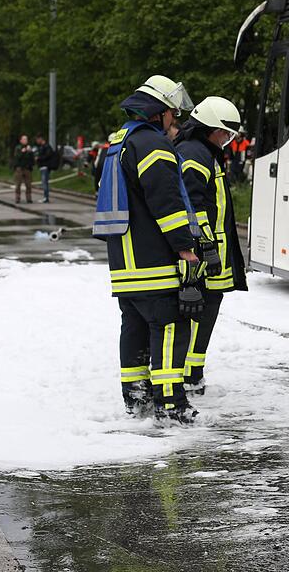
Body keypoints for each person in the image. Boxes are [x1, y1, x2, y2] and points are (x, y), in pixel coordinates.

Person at [92, 74, 203, 425]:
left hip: (125, 264)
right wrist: (185, 247)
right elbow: (166, 202)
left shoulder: (119, 143)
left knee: (135, 329)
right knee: (170, 327)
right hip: (153, 261)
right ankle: (170, 406)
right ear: (158, 112)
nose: (175, 120)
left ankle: (135, 398)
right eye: (172, 113)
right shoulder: (153, 145)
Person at [174, 96, 249, 395]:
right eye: (225, 134)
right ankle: (189, 375)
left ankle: (193, 373)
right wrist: (206, 245)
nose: (226, 140)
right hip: (202, 254)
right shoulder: (195, 153)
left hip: (208, 252)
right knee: (199, 313)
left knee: (205, 311)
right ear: (211, 129)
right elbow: (193, 206)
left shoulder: (201, 151)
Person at [12, 135, 34, 204]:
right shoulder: (18, 148)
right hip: (19, 168)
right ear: (21, 140)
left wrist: (30, 152)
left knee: (28, 184)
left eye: (26, 139)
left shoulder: (29, 148)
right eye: (24, 139)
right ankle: (17, 198)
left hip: (27, 168)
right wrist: (22, 152)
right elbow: (17, 157)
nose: (25, 141)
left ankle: (29, 198)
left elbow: (32, 159)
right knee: (18, 183)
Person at [35, 135, 54, 203]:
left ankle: (46, 198)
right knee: (44, 182)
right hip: (42, 166)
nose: (37, 141)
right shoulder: (42, 147)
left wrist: (39, 158)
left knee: (45, 182)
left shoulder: (46, 147)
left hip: (45, 166)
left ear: (41, 139)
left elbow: (47, 156)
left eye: (37, 140)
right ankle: (45, 197)